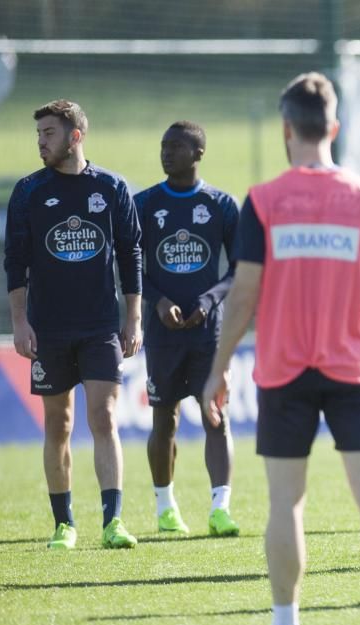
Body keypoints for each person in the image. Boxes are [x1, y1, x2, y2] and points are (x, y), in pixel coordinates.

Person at [202, 72, 360, 625]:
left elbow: (243, 296)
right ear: (335, 129)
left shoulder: (264, 200)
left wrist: (217, 367)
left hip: (284, 371)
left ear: (287, 129)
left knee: (285, 503)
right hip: (353, 368)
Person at [4, 99, 142, 550]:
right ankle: (64, 524)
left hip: (101, 325)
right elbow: (16, 262)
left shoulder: (112, 187)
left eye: (48, 133)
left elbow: (130, 255)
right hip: (49, 329)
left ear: (74, 137)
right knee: (58, 425)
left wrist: (133, 318)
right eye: (39, 134)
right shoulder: (28, 191)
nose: (40, 142)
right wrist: (20, 323)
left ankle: (112, 522)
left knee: (103, 416)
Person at [134, 121, 240, 537]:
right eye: (163, 146)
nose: (166, 153)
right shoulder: (144, 204)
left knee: (216, 417)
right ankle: (166, 507)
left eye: (176, 146)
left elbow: (240, 269)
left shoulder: (221, 205)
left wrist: (210, 299)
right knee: (165, 419)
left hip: (207, 332)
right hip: (162, 334)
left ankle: (221, 508)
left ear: (198, 153)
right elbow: (129, 266)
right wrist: (157, 300)